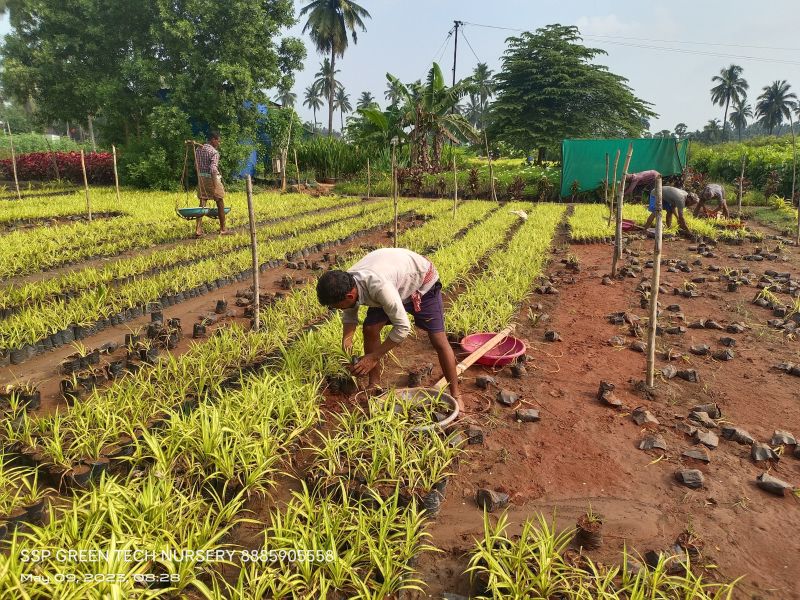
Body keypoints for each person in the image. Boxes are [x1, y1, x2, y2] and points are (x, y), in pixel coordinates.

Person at [316, 248, 461, 409]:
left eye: (336, 306)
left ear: (350, 296)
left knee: (438, 339)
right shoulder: (346, 284)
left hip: (421, 282)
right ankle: (374, 384)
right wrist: (347, 340)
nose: (337, 309)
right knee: (370, 329)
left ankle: (456, 394)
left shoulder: (378, 287)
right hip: (393, 282)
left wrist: (373, 357)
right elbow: (350, 313)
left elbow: (403, 327)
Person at [194, 131, 229, 237]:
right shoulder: (214, 152)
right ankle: (223, 228)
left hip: (201, 178)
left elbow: (196, 166)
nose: (219, 143)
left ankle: (198, 229)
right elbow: (213, 169)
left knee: (203, 201)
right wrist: (215, 186)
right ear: (213, 140)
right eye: (218, 141)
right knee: (220, 200)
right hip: (211, 178)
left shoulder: (198, 149)